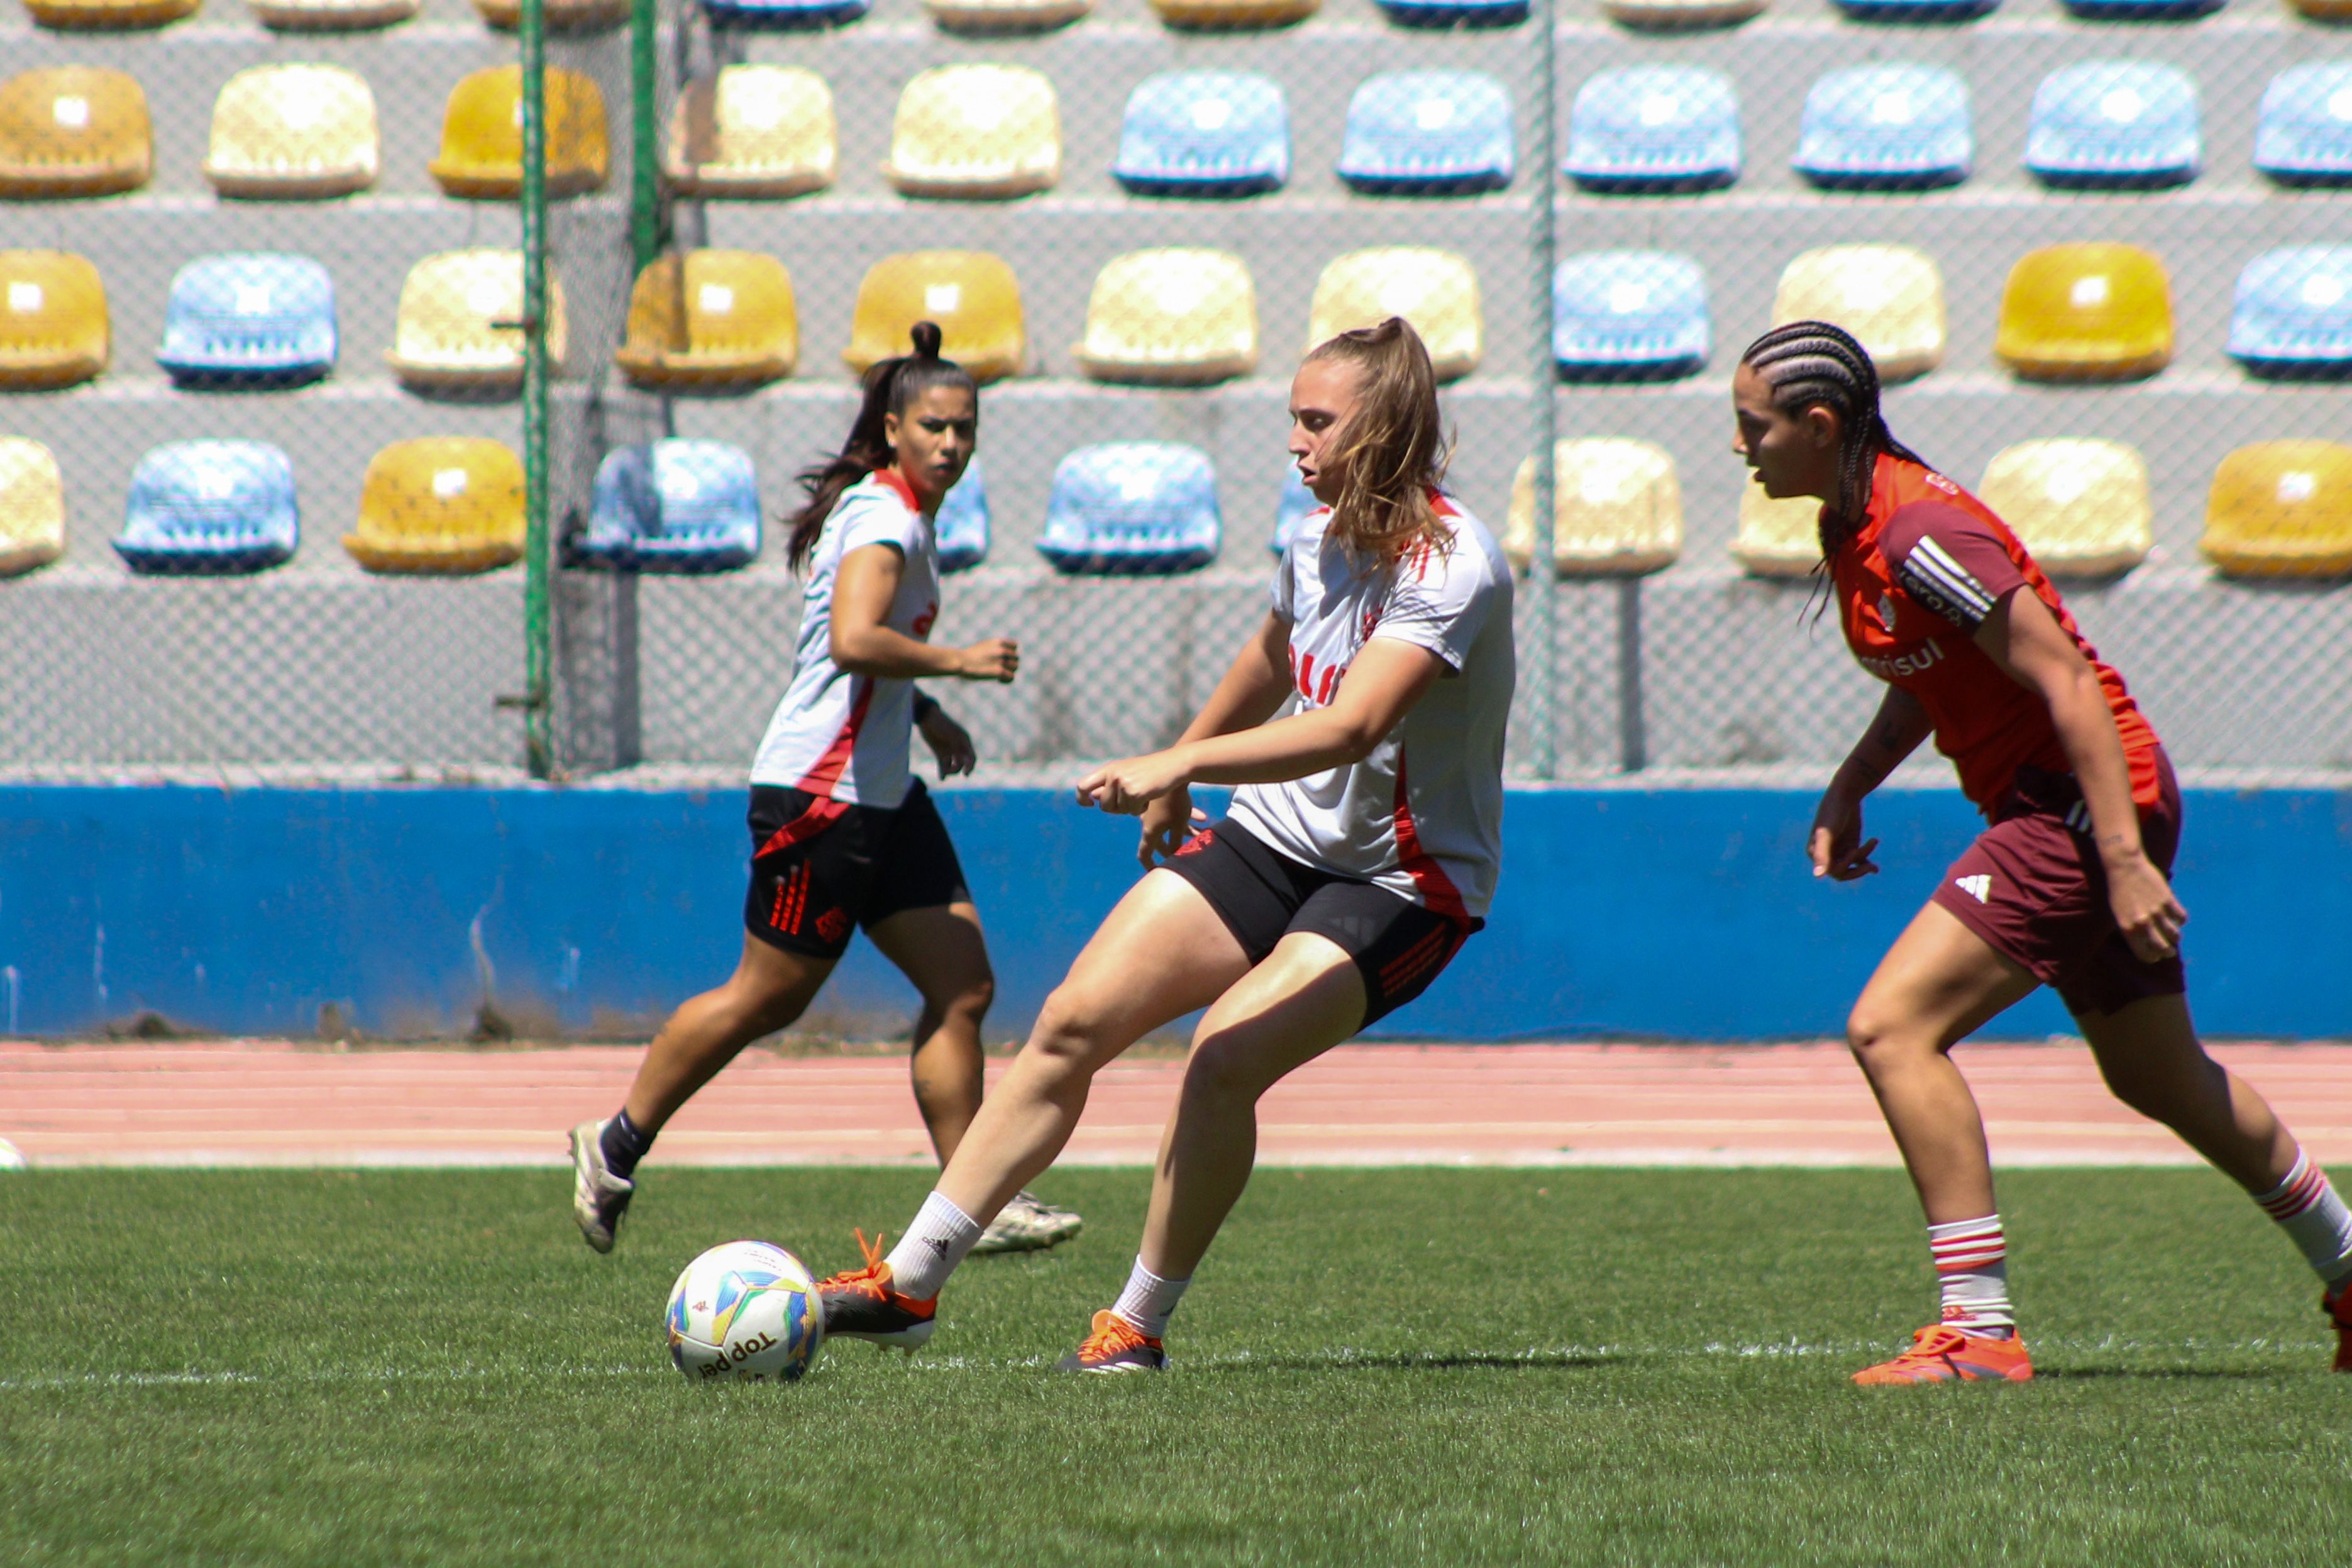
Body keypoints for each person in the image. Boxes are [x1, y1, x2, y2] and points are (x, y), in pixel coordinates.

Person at [810, 317, 1515, 1371]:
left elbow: (1351, 726)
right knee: (1070, 1021)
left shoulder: (1454, 563)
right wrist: (1178, 763)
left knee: (1221, 1059)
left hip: (1403, 882)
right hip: (1272, 839)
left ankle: (1133, 1326)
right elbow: (1270, 655)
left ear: (1383, 428)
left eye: (1316, 423)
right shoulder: (1314, 537)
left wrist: (1180, 766)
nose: (1295, 444)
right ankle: (909, 1282)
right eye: (1292, 420)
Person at [1732, 320, 2352, 1383]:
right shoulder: (1859, 522)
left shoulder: (1920, 527)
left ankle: (1976, 1328)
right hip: (2076, 804)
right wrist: (1849, 783)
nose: (1739, 447)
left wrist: (2118, 856)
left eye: (1752, 426)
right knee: (2163, 1079)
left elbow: (2066, 681)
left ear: (1819, 424)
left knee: (1891, 1028)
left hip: (2074, 804)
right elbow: (1929, 671)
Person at [568, 322, 1081, 1259]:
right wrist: (957, 664)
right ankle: (614, 1143)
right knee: (766, 998)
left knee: (962, 984)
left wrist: (921, 712)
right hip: (823, 796)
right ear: (892, 428)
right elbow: (851, 638)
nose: (952, 445)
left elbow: (862, 652)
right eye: (934, 427)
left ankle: (975, 1197)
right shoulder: (885, 517)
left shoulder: (895, 512)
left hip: (880, 791)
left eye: (965, 429)